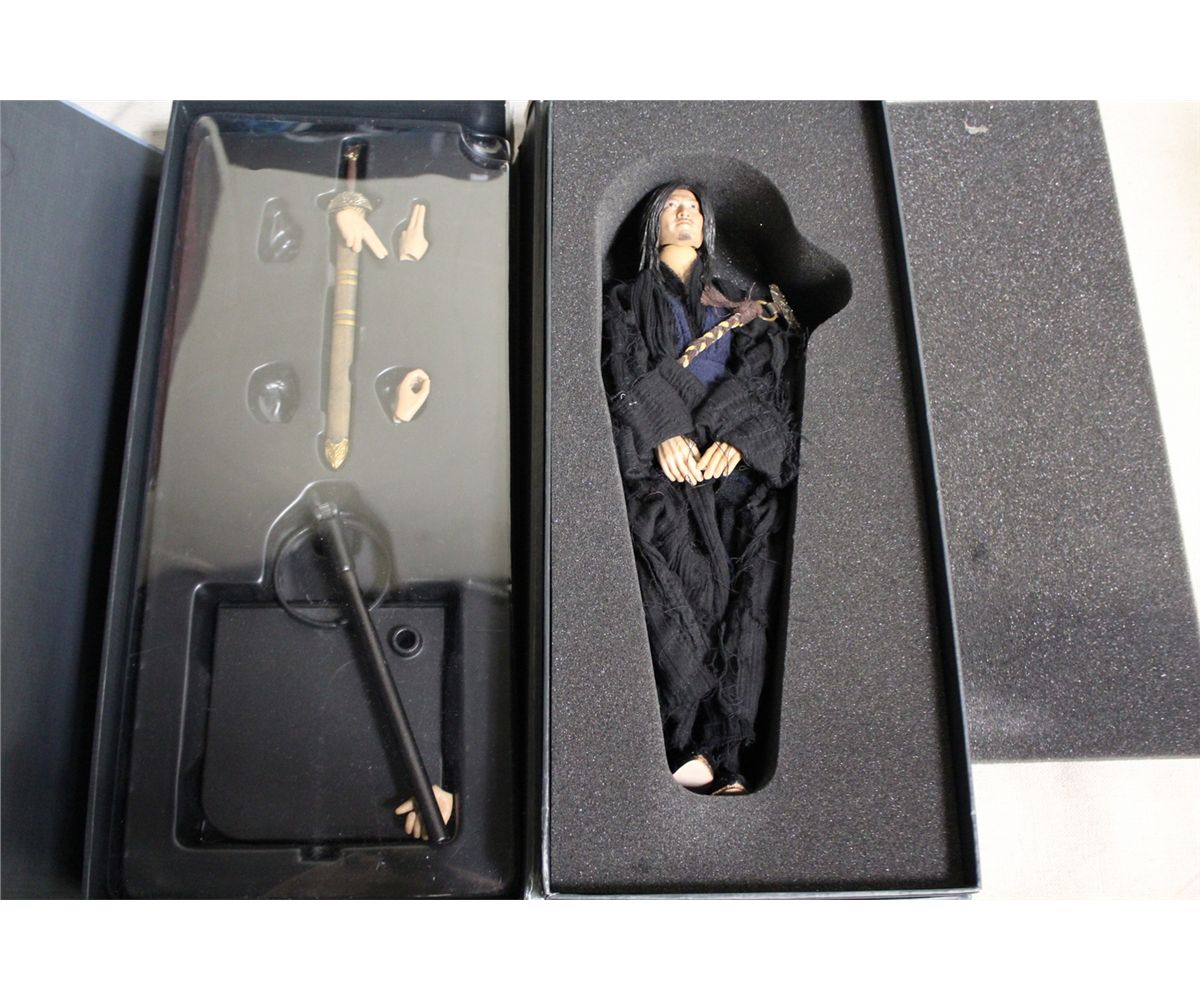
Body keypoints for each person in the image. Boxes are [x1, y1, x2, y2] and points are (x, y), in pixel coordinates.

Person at [601, 181, 806, 795]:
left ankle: (734, 747)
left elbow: (767, 377)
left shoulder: (743, 306)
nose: (684, 214)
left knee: (750, 585)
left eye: (692, 207)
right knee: (677, 577)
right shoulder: (626, 300)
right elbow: (622, 364)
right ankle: (685, 737)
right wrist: (663, 429)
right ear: (654, 224)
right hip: (665, 465)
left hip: (729, 464)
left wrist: (739, 438)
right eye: (672, 207)